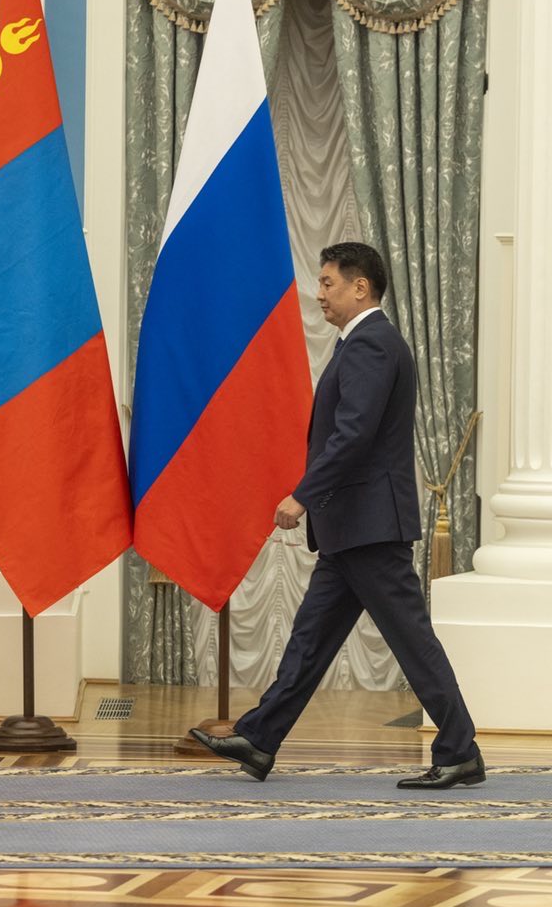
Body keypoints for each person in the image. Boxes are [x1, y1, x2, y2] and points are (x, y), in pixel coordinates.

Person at [192, 242, 485, 790]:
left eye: (328, 283)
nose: (319, 293)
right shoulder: (360, 343)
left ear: (360, 287)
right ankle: (259, 738)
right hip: (352, 527)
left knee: (411, 641)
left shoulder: (372, 343)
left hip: (370, 527)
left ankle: (459, 751)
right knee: (309, 641)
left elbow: (354, 434)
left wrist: (303, 495)